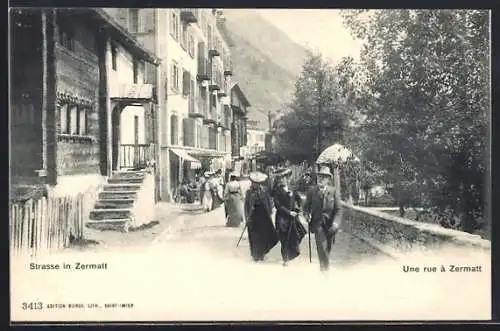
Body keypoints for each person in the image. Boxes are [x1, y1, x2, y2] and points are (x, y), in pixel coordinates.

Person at [303, 166, 343, 272]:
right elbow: (305, 207)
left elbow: (338, 210)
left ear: (328, 180)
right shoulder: (312, 191)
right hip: (318, 224)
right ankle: (325, 271)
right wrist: (307, 215)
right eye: (319, 177)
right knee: (322, 246)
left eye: (324, 177)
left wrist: (335, 224)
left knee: (327, 248)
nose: (321, 179)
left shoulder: (334, 192)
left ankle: (324, 266)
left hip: (330, 226)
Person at [272, 167, 307, 266]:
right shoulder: (277, 191)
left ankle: (292, 253)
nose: (282, 180)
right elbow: (278, 206)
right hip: (282, 218)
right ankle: (285, 259)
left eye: (284, 178)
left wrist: (298, 208)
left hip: (293, 218)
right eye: (280, 179)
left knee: (295, 235)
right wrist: (289, 212)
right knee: (284, 239)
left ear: (287, 178)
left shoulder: (292, 188)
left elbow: (299, 199)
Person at [244, 171, 279, 262]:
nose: (255, 184)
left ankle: (262, 253)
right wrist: (247, 217)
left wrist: (270, 212)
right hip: (253, 215)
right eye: (254, 183)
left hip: (263, 215)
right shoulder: (249, 192)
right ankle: (255, 254)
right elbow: (246, 205)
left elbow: (269, 201)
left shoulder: (264, 190)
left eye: (257, 183)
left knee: (263, 234)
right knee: (254, 236)